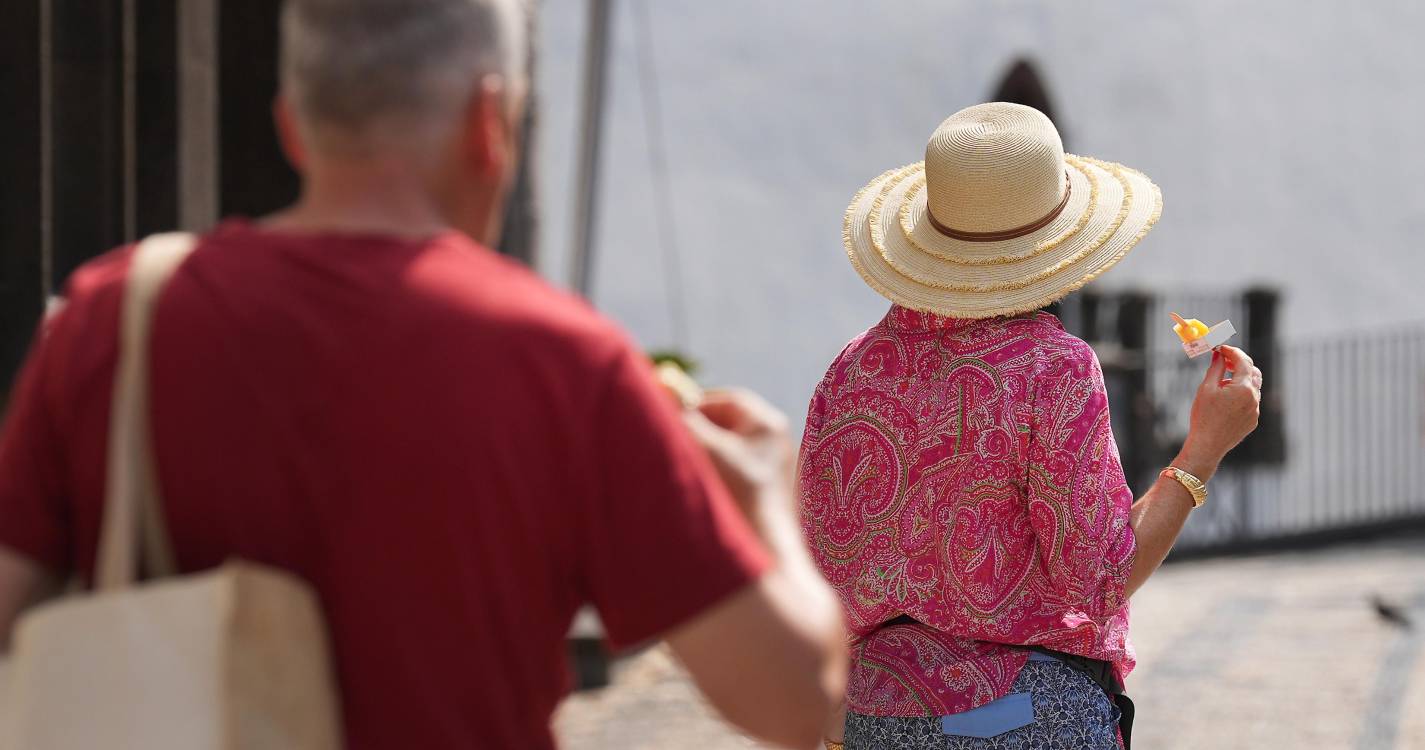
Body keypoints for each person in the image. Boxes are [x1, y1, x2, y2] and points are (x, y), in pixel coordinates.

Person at [0, 1, 845, 748]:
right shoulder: (564, 361)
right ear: (490, 122)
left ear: (293, 122)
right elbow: (795, 701)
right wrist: (768, 503)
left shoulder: (113, 318)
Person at [799, 103, 1262, 749]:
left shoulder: (851, 369)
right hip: (1017, 716)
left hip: (874, 715)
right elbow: (1099, 580)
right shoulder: (1053, 367)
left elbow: (820, 568)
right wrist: (1204, 449)